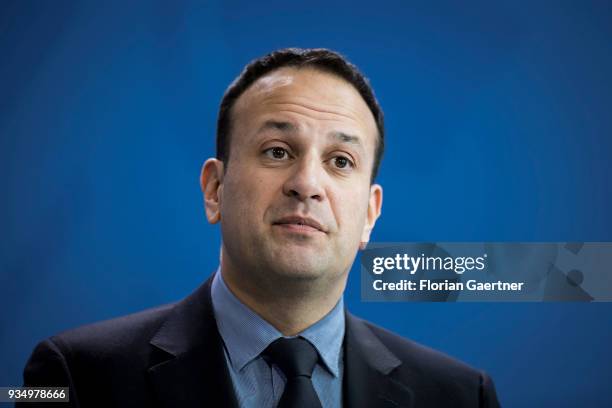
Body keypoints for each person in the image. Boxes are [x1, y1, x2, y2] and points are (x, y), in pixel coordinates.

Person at [20, 48, 500, 408]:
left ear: (370, 215)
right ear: (215, 188)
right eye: (277, 151)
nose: (307, 184)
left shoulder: (461, 396)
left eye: (340, 161)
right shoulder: (72, 377)